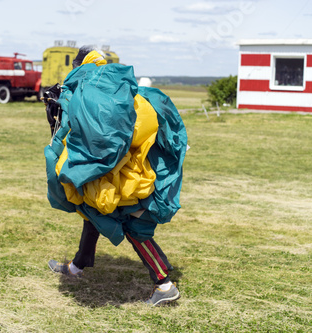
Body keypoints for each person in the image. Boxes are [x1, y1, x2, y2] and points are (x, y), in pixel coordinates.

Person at [44, 46, 188, 306]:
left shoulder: (92, 92)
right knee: (92, 211)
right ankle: (78, 265)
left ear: (80, 65)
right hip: (126, 168)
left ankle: (163, 283)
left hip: (123, 174)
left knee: (132, 225)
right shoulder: (118, 88)